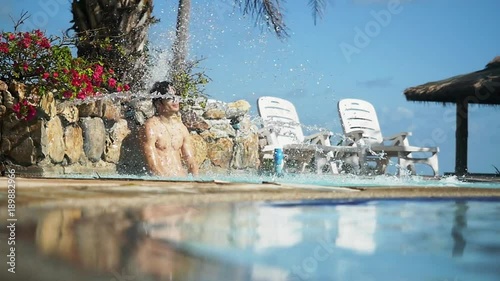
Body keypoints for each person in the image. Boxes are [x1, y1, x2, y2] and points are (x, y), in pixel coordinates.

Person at [141, 81, 199, 177]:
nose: (175, 100)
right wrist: (166, 183)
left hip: (181, 180)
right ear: (158, 103)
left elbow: (191, 162)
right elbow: (153, 166)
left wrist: (196, 182)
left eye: (176, 97)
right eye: (169, 97)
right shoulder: (151, 127)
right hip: (163, 182)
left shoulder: (181, 128)